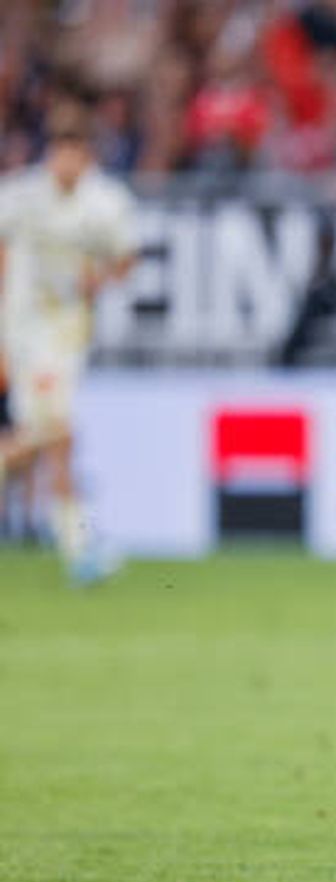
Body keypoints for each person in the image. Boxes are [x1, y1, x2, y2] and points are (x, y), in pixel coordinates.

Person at [0, 102, 138, 584]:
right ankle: (79, 549)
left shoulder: (105, 203)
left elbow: (126, 258)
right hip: (26, 330)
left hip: (69, 332)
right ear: (50, 153)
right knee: (55, 434)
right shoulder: (21, 197)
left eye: (75, 152)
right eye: (60, 152)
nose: (66, 163)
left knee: (52, 440)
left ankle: (78, 547)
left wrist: (98, 280)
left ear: (87, 156)